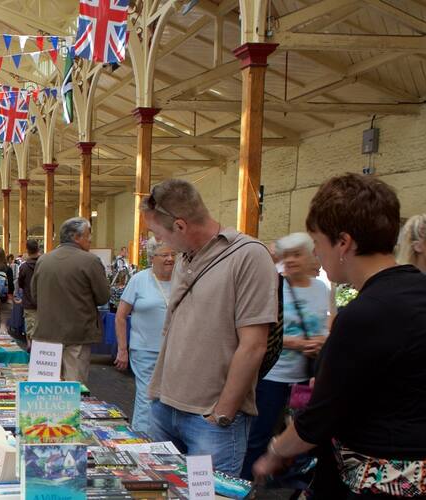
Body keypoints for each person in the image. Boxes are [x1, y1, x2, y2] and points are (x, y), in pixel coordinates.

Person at [253, 174, 426, 498]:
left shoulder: (366, 312)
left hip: (387, 481)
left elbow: (319, 418)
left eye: (318, 241)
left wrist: (274, 452)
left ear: (344, 243)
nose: (315, 252)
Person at [141, 178, 277, 477]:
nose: (158, 242)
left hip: (210, 419)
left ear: (179, 226)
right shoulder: (184, 259)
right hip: (165, 406)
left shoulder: (248, 256)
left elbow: (254, 344)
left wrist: (223, 413)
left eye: (157, 233)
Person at [240, 233, 330, 479]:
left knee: (301, 434)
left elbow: (326, 325)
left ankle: (289, 479)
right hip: (273, 375)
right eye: (286, 255)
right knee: (259, 433)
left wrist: (321, 341)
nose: (290, 260)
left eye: (297, 254)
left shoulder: (321, 288)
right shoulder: (274, 286)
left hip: (303, 378)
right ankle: (246, 483)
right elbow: (263, 332)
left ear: (311, 256)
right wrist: (300, 344)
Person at [32, 217, 110, 388]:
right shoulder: (90, 261)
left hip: (46, 333)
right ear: (76, 237)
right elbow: (103, 297)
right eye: (88, 235)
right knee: (74, 390)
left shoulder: (44, 260)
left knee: (45, 388)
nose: (90, 239)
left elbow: (34, 295)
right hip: (77, 335)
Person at [113, 239, 175, 435]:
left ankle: (162, 439)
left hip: (176, 352)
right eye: (165, 255)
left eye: (173, 255)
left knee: (171, 399)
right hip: (145, 350)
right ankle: (141, 439)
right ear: (152, 258)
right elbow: (121, 316)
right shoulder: (139, 280)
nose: (170, 259)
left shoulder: (182, 280)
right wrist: (122, 349)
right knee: (146, 397)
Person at [16, 240, 41, 343]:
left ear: (27, 250)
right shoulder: (44, 265)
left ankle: (30, 350)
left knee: (30, 330)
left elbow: (20, 284)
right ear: (38, 249)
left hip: (29, 302)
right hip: (44, 303)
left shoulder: (24, 267)